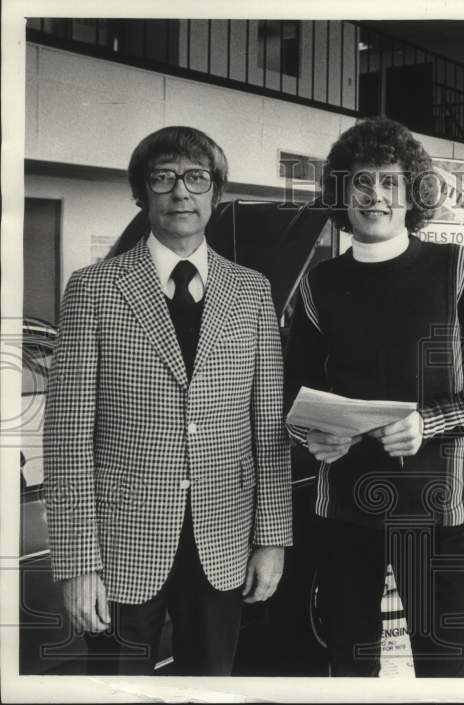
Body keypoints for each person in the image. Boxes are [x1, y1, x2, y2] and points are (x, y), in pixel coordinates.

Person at [43, 126, 293, 676]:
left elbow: (268, 427)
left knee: (210, 686)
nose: (181, 192)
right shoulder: (94, 289)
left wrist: (272, 540)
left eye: (196, 178)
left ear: (216, 195)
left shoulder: (251, 290)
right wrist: (79, 563)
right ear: (142, 194)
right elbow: (66, 439)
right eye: (163, 178)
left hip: (224, 541)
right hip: (120, 549)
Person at [284, 117, 464, 677]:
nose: (376, 195)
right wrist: (313, 433)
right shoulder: (319, 284)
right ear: (343, 192)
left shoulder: (453, 268)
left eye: (390, 182)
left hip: (434, 506)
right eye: (362, 181)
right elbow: (291, 395)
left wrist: (429, 424)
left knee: (448, 671)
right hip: (343, 506)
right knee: (351, 665)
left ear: (412, 193)